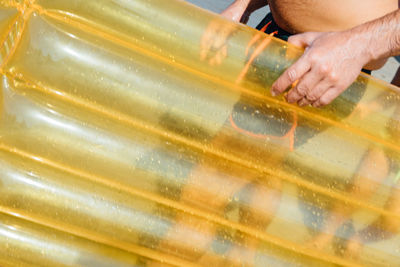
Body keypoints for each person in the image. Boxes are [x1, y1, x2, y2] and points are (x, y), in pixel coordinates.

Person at [150, 1, 399, 265]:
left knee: (206, 190)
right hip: (289, 42)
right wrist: (245, 4)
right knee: (264, 168)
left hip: (323, 60)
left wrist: (358, 46)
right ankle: (241, 253)